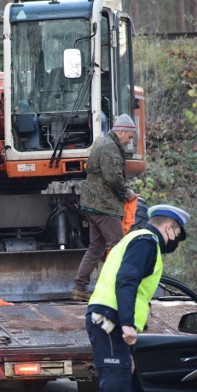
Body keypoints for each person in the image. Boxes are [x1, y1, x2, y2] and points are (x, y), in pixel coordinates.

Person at [37, 204, 190, 392]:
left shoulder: (137, 240)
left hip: (109, 319)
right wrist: (127, 324)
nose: (174, 240)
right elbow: (126, 280)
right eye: (176, 234)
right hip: (110, 320)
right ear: (168, 227)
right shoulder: (146, 242)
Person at [73, 114, 139, 301]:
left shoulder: (104, 143)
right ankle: (119, 290)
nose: (129, 141)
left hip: (93, 203)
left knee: (96, 248)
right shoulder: (110, 148)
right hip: (104, 206)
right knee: (119, 247)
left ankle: (80, 287)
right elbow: (113, 178)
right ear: (120, 131)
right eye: (129, 136)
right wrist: (128, 194)